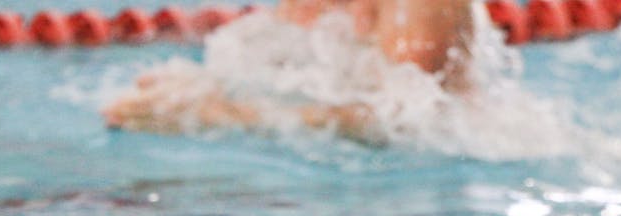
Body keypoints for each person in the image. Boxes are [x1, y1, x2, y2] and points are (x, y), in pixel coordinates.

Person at [102, 0, 476, 140]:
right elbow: (290, 75)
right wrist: (194, 92)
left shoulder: (421, 6)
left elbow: (407, 121)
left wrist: (220, 115)